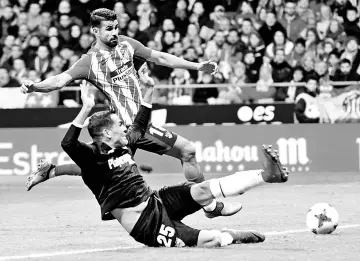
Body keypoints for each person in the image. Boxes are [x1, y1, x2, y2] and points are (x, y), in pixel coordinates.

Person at [20, 8, 235, 218]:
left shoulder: (126, 44)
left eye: (116, 27)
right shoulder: (89, 62)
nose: (114, 32)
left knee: (103, 166)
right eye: (109, 29)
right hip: (129, 125)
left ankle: (51, 171)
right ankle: (208, 205)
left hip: (126, 126)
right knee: (187, 150)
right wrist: (35, 86)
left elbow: (160, 57)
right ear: (95, 31)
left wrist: (197, 66)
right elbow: (59, 80)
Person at [29, 75, 289, 248]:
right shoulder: (91, 156)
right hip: (146, 225)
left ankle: (266, 176)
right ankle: (230, 235)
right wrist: (85, 109)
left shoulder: (124, 144)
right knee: (208, 241)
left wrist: (149, 90)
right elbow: (68, 144)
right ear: (106, 133)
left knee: (201, 189)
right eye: (119, 124)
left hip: (156, 200)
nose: (124, 126)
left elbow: (140, 123)